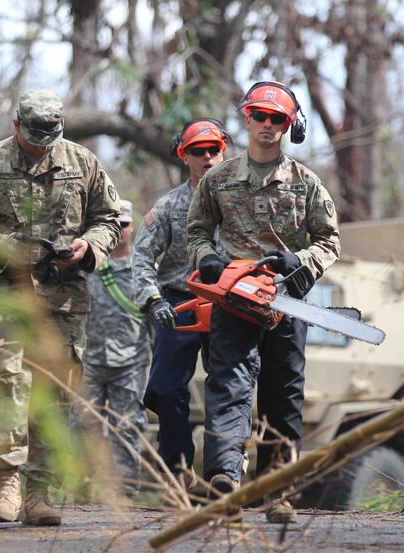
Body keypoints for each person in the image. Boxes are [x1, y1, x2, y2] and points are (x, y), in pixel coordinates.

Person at [0, 90, 120, 526]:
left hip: (61, 301)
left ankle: (39, 494)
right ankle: (7, 485)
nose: (42, 145)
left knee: (54, 395)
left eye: (50, 137)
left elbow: (110, 219)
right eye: (34, 136)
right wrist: (8, 248)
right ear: (16, 126)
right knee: (5, 387)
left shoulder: (84, 163)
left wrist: (89, 246)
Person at [187, 81, 340, 523]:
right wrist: (208, 259)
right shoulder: (218, 179)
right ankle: (225, 480)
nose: (268, 125)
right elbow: (198, 230)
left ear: (290, 125)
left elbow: (330, 240)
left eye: (277, 119)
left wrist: (300, 259)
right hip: (233, 297)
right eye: (260, 116)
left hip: (285, 297)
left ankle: (278, 491)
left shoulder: (306, 183)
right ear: (247, 118)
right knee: (229, 385)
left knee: (283, 393)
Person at [132, 119, 230, 480]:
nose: (207, 158)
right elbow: (141, 255)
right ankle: (177, 470)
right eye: (198, 152)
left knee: (229, 388)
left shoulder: (240, 203)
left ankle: (226, 470)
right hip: (179, 303)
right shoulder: (169, 206)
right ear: (183, 156)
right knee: (164, 389)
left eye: (214, 150)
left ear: (224, 152)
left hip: (230, 304)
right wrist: (153, 299)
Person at [74, 199, 149, 497]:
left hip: (130, 363)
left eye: (124, 225)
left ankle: (126, 492)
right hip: (89, 360)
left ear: (132, 227)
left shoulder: (143, 270)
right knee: (81, 423)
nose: (119, 231)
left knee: (127, 427)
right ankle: (80, 487)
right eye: (113, 225)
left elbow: (154, 319)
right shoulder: (86, 266)